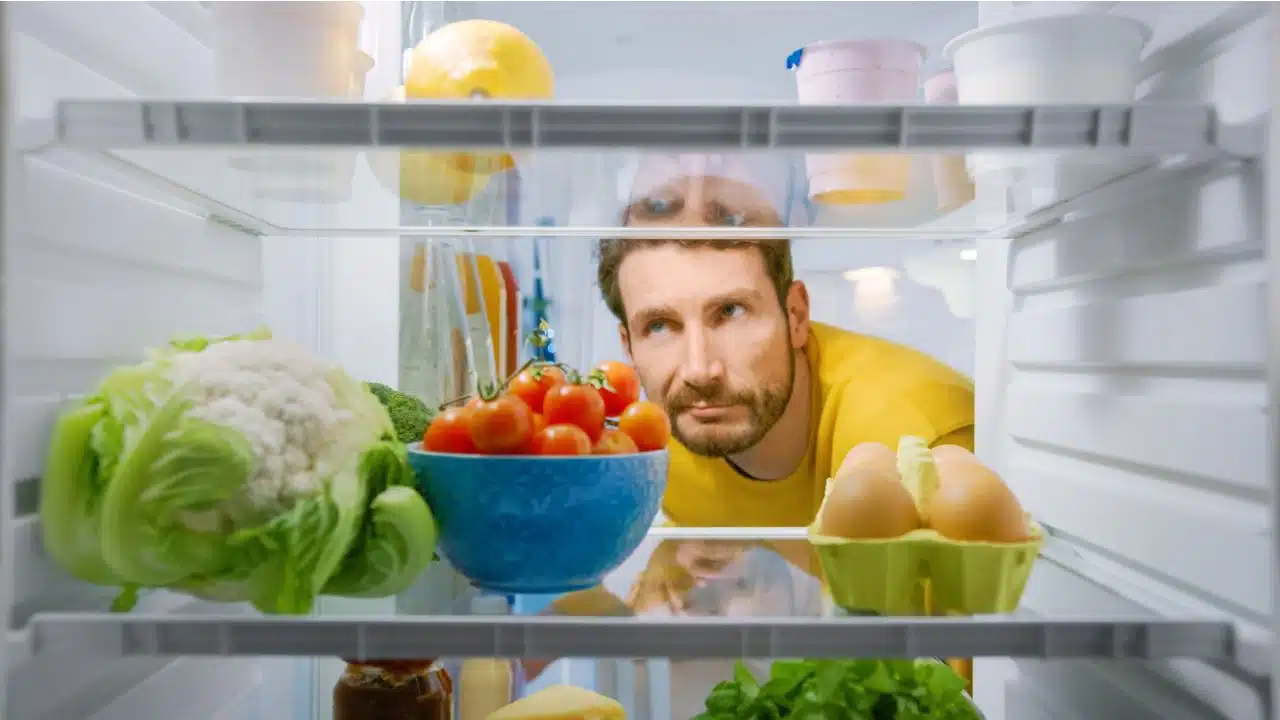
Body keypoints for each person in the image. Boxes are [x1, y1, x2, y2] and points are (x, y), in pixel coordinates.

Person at [526, 153, 976, 687]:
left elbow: (967, 680)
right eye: (661, 326)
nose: (699, 371)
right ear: (628, 346)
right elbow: (614, 591)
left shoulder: (914, 440)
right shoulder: (658, 441)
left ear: (796, 316)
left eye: (731, 312)